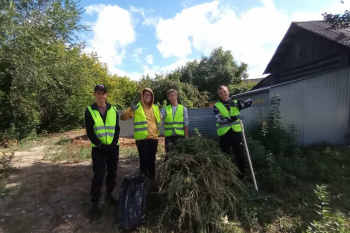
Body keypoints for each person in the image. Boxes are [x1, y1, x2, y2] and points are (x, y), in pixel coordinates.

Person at [85, 84, 120, 220]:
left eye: (103, 93)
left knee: (112, 172)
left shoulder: (113, 109)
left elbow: (116, 129)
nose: (101, 95)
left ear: (107, 95)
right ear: (95, 94)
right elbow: (89, 131)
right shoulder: (90, 110)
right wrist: (99, 144)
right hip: (98, 148)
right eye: (98, 93)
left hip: (112, 147)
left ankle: (109, 195)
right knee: (99, 174)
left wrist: (112, 143)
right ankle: (94, 203)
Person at [120, 88, 161, 180]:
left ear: (152, 97)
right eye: (145, 95)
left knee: (152, 161)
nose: (147, 96)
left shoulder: (155, 108)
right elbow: (122, 117)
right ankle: (142, 183)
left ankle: (152, 181)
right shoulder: (136, 107)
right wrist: (131, 109)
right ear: (142, 96)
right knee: (144, 162)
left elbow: (158, 122)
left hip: (154, 138)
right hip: (142, 139)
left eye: (149, 95)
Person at [213, 85, 252, 180]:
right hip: (224, 134)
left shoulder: (235, 102)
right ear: (219, 95)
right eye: (221, 93)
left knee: (240, 156)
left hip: (236, 133)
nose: (223, 94)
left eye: (224, 92)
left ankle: (240, 177)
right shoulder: (217, 106)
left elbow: (250, 101)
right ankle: (227, 176)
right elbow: (219, 120)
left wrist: (240, 104)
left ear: (228, 92)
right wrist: (234, 117)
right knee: (225, 156)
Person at [161, 89, 189, 154]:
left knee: (180, 155)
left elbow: (186, 123)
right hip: (169, 137)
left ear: (176, 96)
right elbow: (159, 117)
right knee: (169, 155)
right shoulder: (165, 109)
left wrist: (186, 136)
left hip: (180, 136)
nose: (171, 97)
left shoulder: (183, 109)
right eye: (169, 96)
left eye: (172, 95)